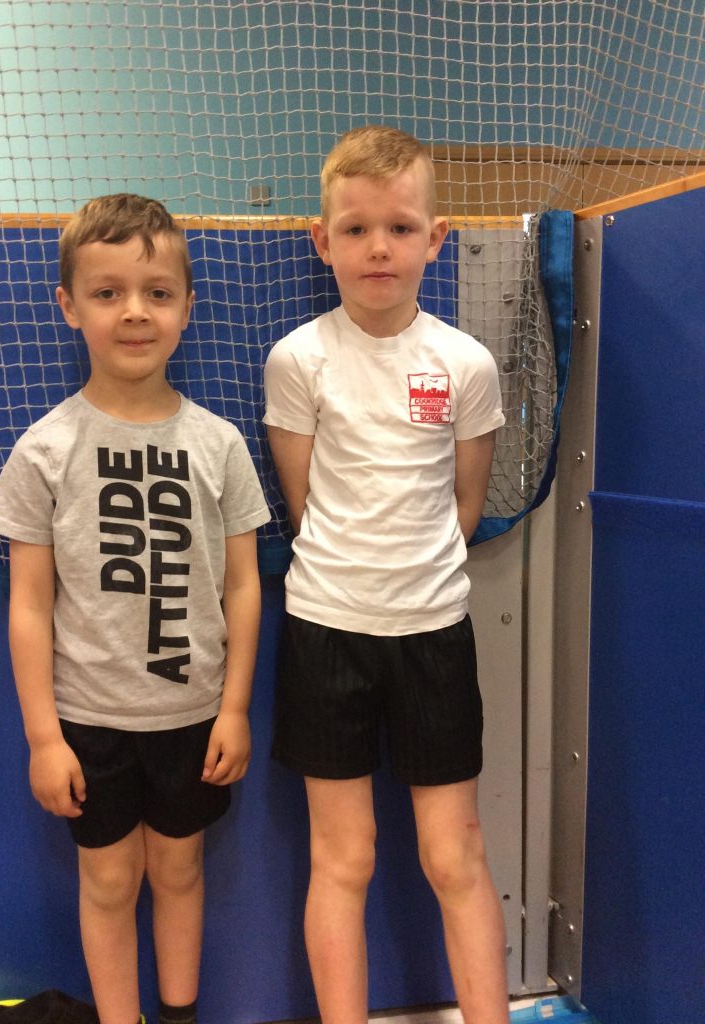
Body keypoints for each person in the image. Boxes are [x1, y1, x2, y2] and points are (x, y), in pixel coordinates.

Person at [0, 194, 270, 1024]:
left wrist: (235, 707)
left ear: (187, 306)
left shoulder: (219, 444)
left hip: (193, 716)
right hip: (89, 722)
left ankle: (177, 1016)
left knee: (179, 871)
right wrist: (45, 737)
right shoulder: (44, 449)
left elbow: (243, 585)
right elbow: (29, 603)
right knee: (109, 881)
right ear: (69, 306)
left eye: (156, 291)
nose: (134, 311)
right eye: (107, 292)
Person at [263, 126, 509, 1024]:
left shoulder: (465, 364)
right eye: (356, 229)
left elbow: (465, 504)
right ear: (321, 240)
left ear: (435, 239)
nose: (379, 248)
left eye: (400, 228)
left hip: (432, 632)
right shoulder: (298, 359)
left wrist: (413, 579)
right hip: (326, 631)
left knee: (455, 854)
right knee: (345, 857)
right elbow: (303, 506)